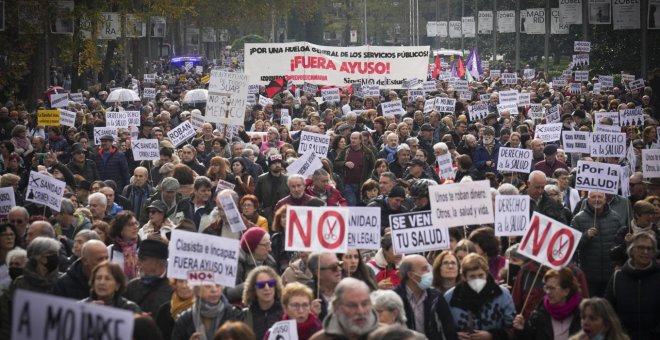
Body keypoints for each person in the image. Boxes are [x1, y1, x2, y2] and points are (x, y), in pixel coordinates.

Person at [444, 253, 516, 340]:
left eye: (481, 275)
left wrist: (492, 336)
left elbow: (512, 329)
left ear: (486, 273)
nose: (477, 279)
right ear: (464, 277)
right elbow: (443, 328)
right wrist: (454, 336)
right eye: (472, 276)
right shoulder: (450, 297)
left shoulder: (502, 294)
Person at [605, 232, 660, 340]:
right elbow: (607, 310)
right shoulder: (618, 278)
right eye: (641, 248)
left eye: (649, 249)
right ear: (632, 250)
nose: (645, 252)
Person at [572, 191, 624, 297]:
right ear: (587, 199)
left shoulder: (616, 218)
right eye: (593, 197)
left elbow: (621, 244)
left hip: (610, 274)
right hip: (589, 275)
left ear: (605, 199)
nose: (597, 199)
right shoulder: (578, 219)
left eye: (600, 197)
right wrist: (586, 236)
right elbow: (573, 245)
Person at [394, 254, 457, 340]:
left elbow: (448, 328)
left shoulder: (436, 296)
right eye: (424, 269)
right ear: (411, 275)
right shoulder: (395, 298)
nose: (429, 272)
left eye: (428, 268)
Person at [513, 268, 583, 340]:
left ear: (566, 291)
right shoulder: (540, 311)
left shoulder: (582, 313)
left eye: (552, 288)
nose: (548, 292)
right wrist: (522, 330)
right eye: (546, 287)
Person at [310, 278, 380, 340]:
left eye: (365, 304)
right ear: (336, 306)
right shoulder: (321, 338)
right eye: (352, 305)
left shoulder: (385, 336)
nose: (360, 311)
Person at [172, 283, 244, 340]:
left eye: (218, 285)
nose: (214, 290)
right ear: (197, 289)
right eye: (208, 286)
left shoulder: (236, 316)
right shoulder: (184, 320)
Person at [225, 227, 277, 303]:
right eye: (266, 245)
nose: (270, 249)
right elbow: (227, 293)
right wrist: (252, 283)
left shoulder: (270, 261)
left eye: (269, 244)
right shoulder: (236, 263)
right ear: (253, 246)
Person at [124, 239, 173, 318]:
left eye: (142, 259)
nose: (137, 263)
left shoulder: (173, 290)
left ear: (158, 262)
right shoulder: (131, 286)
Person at [241, 266, 284, 340]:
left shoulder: (286, 313)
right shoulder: (245, 316)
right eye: (261, 285)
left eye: (271, 283)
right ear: (253, 288)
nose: (267, 288)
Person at [334, 131, 376, 206]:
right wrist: (345, 163)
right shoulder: (346, 150)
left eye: (355, 138)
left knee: (360, 205)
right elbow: (336, 163)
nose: (353, 140)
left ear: (360, 140)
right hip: (348, 184)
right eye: (352, 138)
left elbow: (373, 167)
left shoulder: (367, 152)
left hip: (362, 185)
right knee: (351, 204)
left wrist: (368, 178)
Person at [254, 154, 289, 223]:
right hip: (267, 214)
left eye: (279, 163)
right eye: (274, 163)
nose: (277, 165)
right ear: (269, 166)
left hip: (284, 212)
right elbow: (257, 197)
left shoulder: (287, 179)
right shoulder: (261, 179)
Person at [107, 211, 141, 281]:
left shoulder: (143, 249)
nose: (135, 227)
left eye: (136, 223)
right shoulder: (110, 251)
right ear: (120, 229)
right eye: (130, 225)